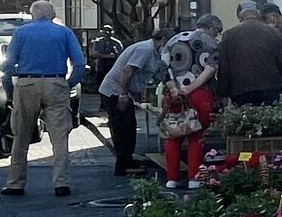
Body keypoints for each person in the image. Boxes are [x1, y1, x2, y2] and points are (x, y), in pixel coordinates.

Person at [1, 1, 88, 197]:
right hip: (55, 81)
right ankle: (61, 183)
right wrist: (69, 84)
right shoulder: (64, 33)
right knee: (59, 136)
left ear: (33, 15)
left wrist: (10, 88)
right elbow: (80, 64)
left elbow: (8, 65)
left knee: (21, 135)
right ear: (53, 14)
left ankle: (15, 183)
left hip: (27, 83)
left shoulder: (21, 33)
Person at [99, 29, 173, 176]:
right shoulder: (145, 49)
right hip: (114, 91)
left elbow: (157, 72)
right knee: (124, 128)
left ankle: (127, 161)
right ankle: (123, 165)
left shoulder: (153, 52)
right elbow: (128, 71)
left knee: (128, 127)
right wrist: (123, 94)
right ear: (163, 40)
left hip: (119, 91)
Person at [162, 15, 223, 189]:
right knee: (196, 136)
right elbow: (211, 69)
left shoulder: (173, 40)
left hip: (173, 94)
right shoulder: (211, 44)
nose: (217, 36)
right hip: (200, 94)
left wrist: (174, 88)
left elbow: (162, 67)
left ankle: (172, 178)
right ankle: (194, 178)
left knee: (173, 135)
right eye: (217, 32)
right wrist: (191, 88)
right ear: (211, 27)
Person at [218, 0, 282, 107]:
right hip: (269, 87)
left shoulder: (229, 35)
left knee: (245, 120)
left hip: (240, 90)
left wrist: (222, 93)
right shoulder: (274, 32)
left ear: (239, 16)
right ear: (259, 14)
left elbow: (224, 67)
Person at [87, 25, 123, 93]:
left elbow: (120, 56)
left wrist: (111, 55)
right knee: (101, 84)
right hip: (101, 67)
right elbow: (94, 54)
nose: (107, 32)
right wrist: (107, 56)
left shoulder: (116, 43)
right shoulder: (98, 42)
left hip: (112, 67)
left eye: (109, 30)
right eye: (105, 30)